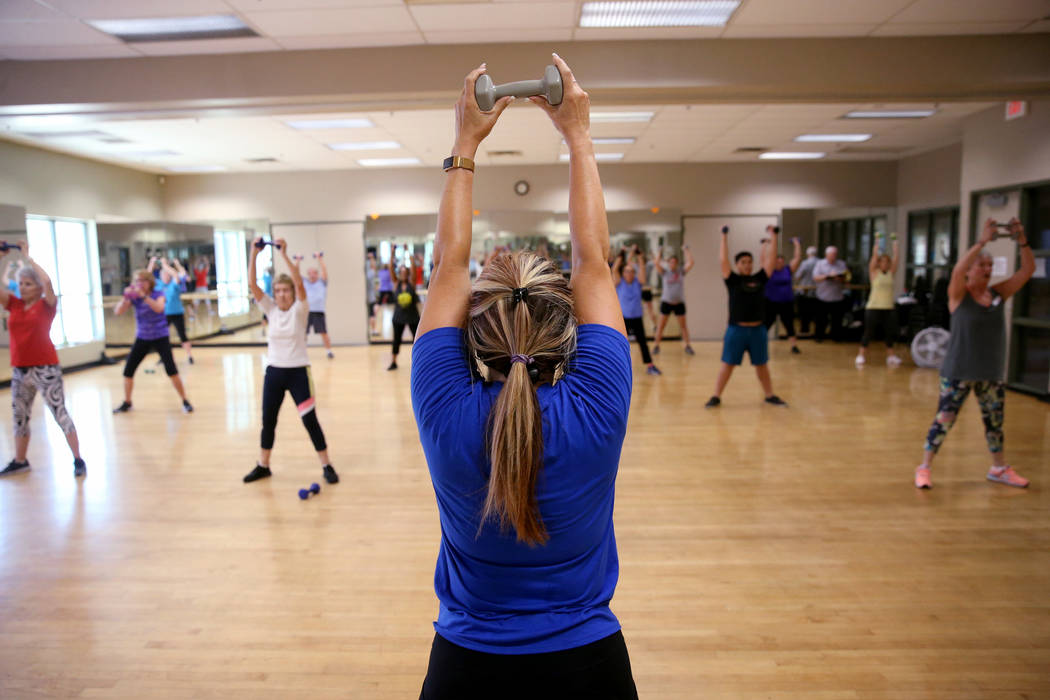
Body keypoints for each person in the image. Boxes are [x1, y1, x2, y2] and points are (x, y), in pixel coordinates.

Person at [411, 56, 638, 699]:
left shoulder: (443, 406)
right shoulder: (597, 404)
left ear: (472, 330)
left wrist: (464, 143)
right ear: (567, 332)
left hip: (465, 669)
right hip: (588, 668)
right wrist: (578, 135)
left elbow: (448, 266)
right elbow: (593, 263)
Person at [915, 218, 1035, 490]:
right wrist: (982, 241)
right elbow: (957, 270)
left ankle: (998, 468)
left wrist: (1021, 240)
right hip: (958, 371)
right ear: (970, 270)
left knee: (995, 423)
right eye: (982, 265)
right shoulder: (959, 295)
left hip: (990, 372)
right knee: (944, 421)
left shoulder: (998, 294)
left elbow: (1028, 270)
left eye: (990, 265)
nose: (988, 269)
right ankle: (924, 467)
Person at [243, 238, 338, 486]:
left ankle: (326, 465)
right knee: (268, 421)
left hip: (298, 373)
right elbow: (252, 284)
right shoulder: (271, 310)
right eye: (278, 291)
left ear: (292, 293)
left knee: (309, 421)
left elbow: (299, 283)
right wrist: (253, 253)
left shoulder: (300, 309)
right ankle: (263, 465)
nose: (282, 294)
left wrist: (284, 254)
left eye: (286, 290)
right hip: (274, 373)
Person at [0, 242, 86, 478]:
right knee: (19, 416)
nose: (23, 287)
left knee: (59, 413)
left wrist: (28, 257)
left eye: (28, 283)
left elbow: (47, 282)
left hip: (45, 368)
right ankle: (20, 461)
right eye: (21, 283)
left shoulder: (46, 306)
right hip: (20, 369)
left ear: (37, 288)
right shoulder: (15, 305)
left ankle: (78, 459)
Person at [706, 225, 788, 408]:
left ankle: (769, 395)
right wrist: (724, 236)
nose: (747, 265)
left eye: (750, 262)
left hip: (758, 330)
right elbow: (723, 259)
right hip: (736, 330)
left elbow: (771, 259)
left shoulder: (760, 278)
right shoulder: (733, 280)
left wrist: (774, 236)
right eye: (743, 262)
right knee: (728, 365)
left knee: (762, 365)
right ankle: (716, 396)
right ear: (737, 265)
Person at [112, 270, 193, 414]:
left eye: (143, 280)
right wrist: (125, 298)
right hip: (142, 337)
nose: (140, 284)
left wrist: (144, 296)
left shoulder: (158, 293)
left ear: (149, 282)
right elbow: (118, 312)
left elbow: (159, 308)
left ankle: (185, 400)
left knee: (171, 370)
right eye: (138, 281)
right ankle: (127, 402)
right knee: (128, 370)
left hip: (160, 336)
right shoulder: (135, 297)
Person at [856, 233, 902, 367]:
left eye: (887, 262)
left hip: (888, 307)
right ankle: (861, 355)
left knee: (889, 333)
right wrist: (877, 241)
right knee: (869, 332)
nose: (885, 264)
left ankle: (891, 356)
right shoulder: (874, 273)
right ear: (879, 263)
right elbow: (874, 256)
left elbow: (897, 258)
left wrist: (895, 243)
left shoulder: (891, 273)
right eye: (883, 262)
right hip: (873, 307)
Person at [613, 251, 660, 376]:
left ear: (634, 273)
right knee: (620, 344)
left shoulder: (638, 282)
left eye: (631, 271)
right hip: (623, 319)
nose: (629, 273)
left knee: (643, 343)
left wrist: (639, 256)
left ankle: (650, 366)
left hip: (637, 318)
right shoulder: (619, 283)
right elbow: (614, 269)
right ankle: (618, 369)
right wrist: (621, 254)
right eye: (627, 271)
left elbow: (642, 269)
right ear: (623, 273)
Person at [651, 245, 695, 356]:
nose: (673, 264)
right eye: (671, 262)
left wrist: (686, 250)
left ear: (677, 263)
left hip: (679, 303)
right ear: (668, 263)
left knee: (683, 326)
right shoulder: (665, 272)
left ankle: (688, 346)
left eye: (675, 262)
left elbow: (691, 262)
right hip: (666, 303)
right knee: (661, 326)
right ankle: (656, 346)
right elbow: (656, 263)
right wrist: (660, 251)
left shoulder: (681, 272)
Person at [764, 235, 802, 354]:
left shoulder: (788, 270)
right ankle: (759, 344)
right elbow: (764, 258)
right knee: (766, 325)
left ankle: (794, 346)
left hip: (786, 303)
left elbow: (797, 258)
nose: (780, 263)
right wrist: (766, 245)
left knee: (789, 325)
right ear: (774, 262)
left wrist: (796, 243)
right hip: (771, 302)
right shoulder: (769, 271)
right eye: (777, 261)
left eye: (782, 261)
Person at [153, 257, 194, 365]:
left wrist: (165, 265)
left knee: (182, 335)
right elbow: (147, 276)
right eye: (163, 275)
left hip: (177, 313)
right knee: (162, 337)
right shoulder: (158, 285)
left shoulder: (174, 283)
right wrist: (152, 263)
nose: (165, 276)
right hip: (164, 314)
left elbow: (177, 275)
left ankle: (190, 356)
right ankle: (163, 357)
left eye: (167, 275)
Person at [387, 258, 420, 371]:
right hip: (398, 317)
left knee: (417, 340)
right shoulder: (397, 284)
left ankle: (419, 362)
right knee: (396, 340)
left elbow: (414, 269)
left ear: (408, 273)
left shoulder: (412, 283)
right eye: (401, 272)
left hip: (412, 316)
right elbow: (391, 269)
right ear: (399, 274)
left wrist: (409, 254)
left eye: (405, 272)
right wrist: (392, 254)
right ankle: (393, 362)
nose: (403, 274)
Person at [812, 245, 849, 342]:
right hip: (823, 297)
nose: (833, 256)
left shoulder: (841, 264)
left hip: (837, 297)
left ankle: (836, 337)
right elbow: (815, 277)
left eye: (835, 254)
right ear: (826, 255)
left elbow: (847, 278)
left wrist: (839, 278)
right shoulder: (820, 264)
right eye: (831, 255)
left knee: (837, 320)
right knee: (821, 319)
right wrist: (828, 276)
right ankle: (819, 336)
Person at [302, 254, 334, 359]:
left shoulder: (322, 282)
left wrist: (320, 259)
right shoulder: (305, 282)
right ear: (308, 275)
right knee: (303, 333)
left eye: (314, 273)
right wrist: (297, 261)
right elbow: (295, 274)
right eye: (310, 273)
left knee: (324, 333)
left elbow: (324, 271)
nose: (312, 275)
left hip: (319, 311)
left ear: (317, 274)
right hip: (306, 312)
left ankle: (329, 351)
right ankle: (301, 352)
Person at [794, 245, 819, 336]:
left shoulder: (805, 263)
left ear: (807, 254)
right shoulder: (820, 262)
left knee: (804, 313)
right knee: (816, 313)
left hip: (805, 291)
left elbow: (798, 276)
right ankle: (817, 332)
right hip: (817, 292)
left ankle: (805, 330)